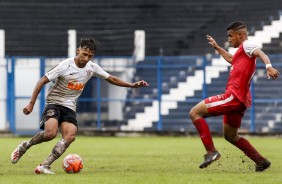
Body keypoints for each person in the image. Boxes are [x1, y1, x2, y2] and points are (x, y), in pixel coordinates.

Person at [10, 37, 149, 174]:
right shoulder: (65, 65)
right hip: (54, 102)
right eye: (84, 54)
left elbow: (111, 78)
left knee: (70, 136)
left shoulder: (92, 67)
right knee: (50, 134)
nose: (86, 59)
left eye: (90, 56)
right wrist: (31, 103)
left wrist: (131, 85)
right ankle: (25, 146)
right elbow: (42, 81)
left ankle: (44, 166)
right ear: (78, 50)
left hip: (69, 107)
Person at [189, 21, 280, 172]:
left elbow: (259, 52)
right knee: (231, 136)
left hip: (233, 96)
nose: (229, 39)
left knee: (194, 112)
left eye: (231, 36)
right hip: (240, 100)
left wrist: (268, 66)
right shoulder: (241, 52)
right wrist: (217, 47)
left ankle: (211, 151)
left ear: (240, 35)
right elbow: (232, 60)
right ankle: (261, 161)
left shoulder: (247, 45)